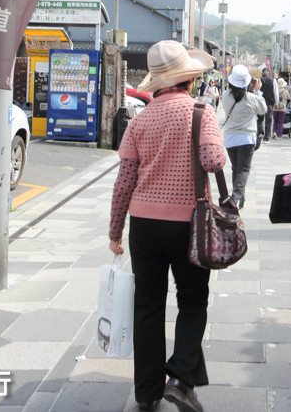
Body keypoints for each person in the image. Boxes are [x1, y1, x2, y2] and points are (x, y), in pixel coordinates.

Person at [109, 40, 224, 412]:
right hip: (189, 223)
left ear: (156, 84)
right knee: (192, 300)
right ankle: (179, 377)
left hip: (144, 225)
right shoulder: (201, 112)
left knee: (147, 306)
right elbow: (212, 159)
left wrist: (115, 232)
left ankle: (146, 394)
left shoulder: (139, 119)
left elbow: (124, 180)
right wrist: (216, 139)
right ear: (188, 80)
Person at [220, 65, 267, 209]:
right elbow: (263, 110)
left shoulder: (225, 96)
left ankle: (240, 199)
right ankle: (235, 198)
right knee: (243, 170)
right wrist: (258, 91)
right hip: (246, 138)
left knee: (236, 168)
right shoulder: (251, 98)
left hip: (230, 138)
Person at [259, 68, 276, 141]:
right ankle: (267, 137)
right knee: (268, 119)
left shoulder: (258, 80)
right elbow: (276, 92)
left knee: (259, 119)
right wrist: (277, 102)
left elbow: (255, 91)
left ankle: (260, 133)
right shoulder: (273, 80)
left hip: (260, 102)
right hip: (269, 102)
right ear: (269, 73)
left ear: (262, 73)